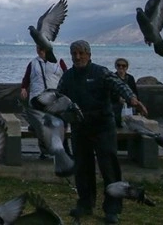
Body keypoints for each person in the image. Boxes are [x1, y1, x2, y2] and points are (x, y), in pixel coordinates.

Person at [57, 40, 147, 225]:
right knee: (82, 168)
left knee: (109, 168)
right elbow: (58, 99)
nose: (77, 56)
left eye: (81, 53)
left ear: (89, 55)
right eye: (74, 53)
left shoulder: (101, 72)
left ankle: (112, 209)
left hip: (103, 127)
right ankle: (85, 204)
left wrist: (132, 98)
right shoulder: (67, 77)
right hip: (80, 128)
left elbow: (118, 85)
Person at [19, 45, 65, 160]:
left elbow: (67, 75)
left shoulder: (58, 61)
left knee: (56, 125)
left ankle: (61, 150)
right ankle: (44, 151)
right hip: (37, 98)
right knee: (41, 126)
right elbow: (26, 78)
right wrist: (24, 88)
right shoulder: (33, 63)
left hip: (53, 97)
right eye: (38, 48)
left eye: (42, 48)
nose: (40, 50)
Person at [111, 57, 138, 128]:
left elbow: (134, 91)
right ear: (116, 66)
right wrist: (118, 98)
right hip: (116, 104)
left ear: (127, 67)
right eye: (118, 65)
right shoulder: (112, 77)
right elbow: (109, 92)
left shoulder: (130, 78)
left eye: (123, 66)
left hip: (128, 104)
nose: (121, 67)